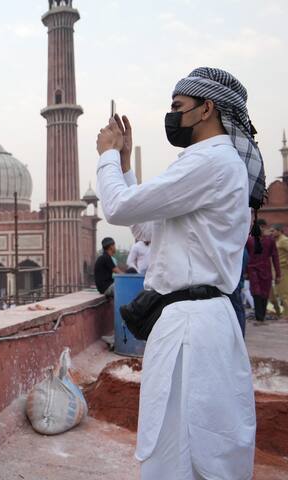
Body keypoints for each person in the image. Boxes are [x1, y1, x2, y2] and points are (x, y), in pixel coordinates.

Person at [96, 67, 259, 479]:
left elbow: (116, 208)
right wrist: (127, 165)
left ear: (206, 109)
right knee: (191, 451)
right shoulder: (207, 165)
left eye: (178, 107)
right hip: (196, 324)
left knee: (180, 454)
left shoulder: (210, 162)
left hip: (192, 330)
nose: (172, 116)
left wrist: (106, 157)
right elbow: (145, 229)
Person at [246, 218, 280, 323]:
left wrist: (278, 273)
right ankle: (259, 317)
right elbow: (245, 256)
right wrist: (245, 271)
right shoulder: (249, 240)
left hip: (266, 269)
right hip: (253, 269)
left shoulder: (270, 240)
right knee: (256, 292)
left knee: (265, 293)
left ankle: (262, 316)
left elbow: (275, 257)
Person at [271, 224, 288, 316]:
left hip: (283, 269)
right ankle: (279, 312)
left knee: (284, 293)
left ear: (279, 231)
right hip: (275, 269)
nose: (271, 233)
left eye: (273, 231)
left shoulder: (284, 240)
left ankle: (286, 315)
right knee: (275, 293)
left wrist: (286, 263)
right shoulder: (276, 241)